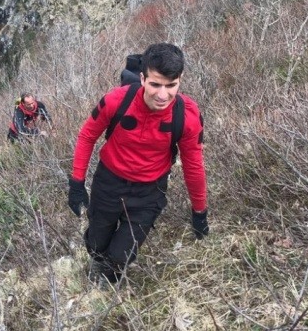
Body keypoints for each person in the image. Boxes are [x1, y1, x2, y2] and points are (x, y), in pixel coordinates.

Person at [68, 42, 209, 286]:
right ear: (142, 78)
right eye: (155, 84)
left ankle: (106, 288)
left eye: (171, 85)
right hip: (108, 183)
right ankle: (97, 261)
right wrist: (76, 182)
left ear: (180, 80)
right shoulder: (116, 100)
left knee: (121, 255)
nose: (162, 95)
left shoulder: (187, 116)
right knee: (96, 244)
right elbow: (87, 135)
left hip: (149, 192)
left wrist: (200, 211)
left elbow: (193, 165)